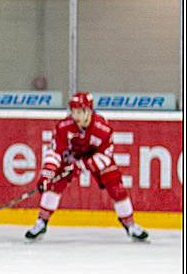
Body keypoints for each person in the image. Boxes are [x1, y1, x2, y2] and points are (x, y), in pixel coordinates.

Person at [25, 92, 149, 242]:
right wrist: (47, 174)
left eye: (79, 112)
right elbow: (55, 152)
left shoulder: (103, 128)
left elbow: (105, 155)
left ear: (89, 111)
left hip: (95, 157)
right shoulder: (63, 127)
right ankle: (41, 222)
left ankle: (131, 226)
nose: (75, 116)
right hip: (71, 156)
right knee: (54, 185)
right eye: (73, 111)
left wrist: (83, 165)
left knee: (116, 187)